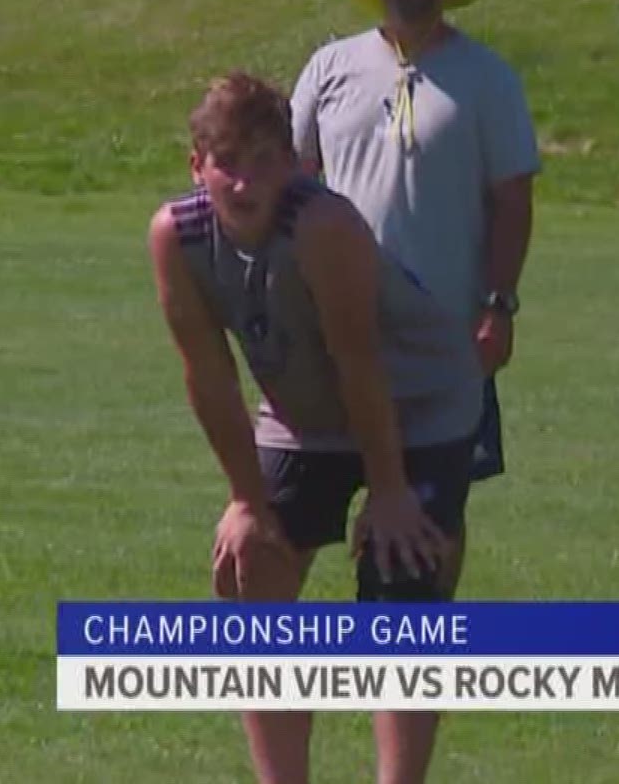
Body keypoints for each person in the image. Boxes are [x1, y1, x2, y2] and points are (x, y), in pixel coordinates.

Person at [149, 72, 485, 784]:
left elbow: (360, 363)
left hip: (420, 400)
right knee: (251, 573)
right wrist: (246, 500)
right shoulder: (177, 238)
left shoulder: (322, 226)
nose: (245, 180)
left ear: (297, 163)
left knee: (401, 583)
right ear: (196, 165)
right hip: (303, 416)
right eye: (228, 160)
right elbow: (208, 377)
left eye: (266, 158)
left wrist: (389, 492)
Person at [290, 0, 540, 598]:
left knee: (436, 515)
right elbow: (293, 187)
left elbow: (512, 201)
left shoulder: (487, 79)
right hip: (337, 332)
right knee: (291, 515)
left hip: (446, 335)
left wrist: (500, 305)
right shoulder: (329, 68)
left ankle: (424, 644)